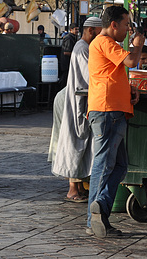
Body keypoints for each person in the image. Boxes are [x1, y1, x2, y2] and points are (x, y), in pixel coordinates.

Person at [86, 6, 145, 238]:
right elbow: (131, 60)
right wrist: (138, 42)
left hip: (112, 109)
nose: (127, 30)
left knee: (119, 166)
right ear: (113, 25)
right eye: (125, 25)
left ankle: (100, 209)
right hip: (107, 111)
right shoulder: (105, 42)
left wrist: (127, 88)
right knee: (103, 166)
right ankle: (94, 219)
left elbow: (110, 73)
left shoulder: (104, 45)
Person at [51, 17, 103, 203]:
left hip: (82, 100)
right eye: (99, 32)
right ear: (91, 31)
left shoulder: (85, 48)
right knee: (75, 143)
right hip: (77, 102)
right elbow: (90, 76)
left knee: (83, 143)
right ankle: (73, 189)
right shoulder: (82, 49)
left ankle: (79, 186)